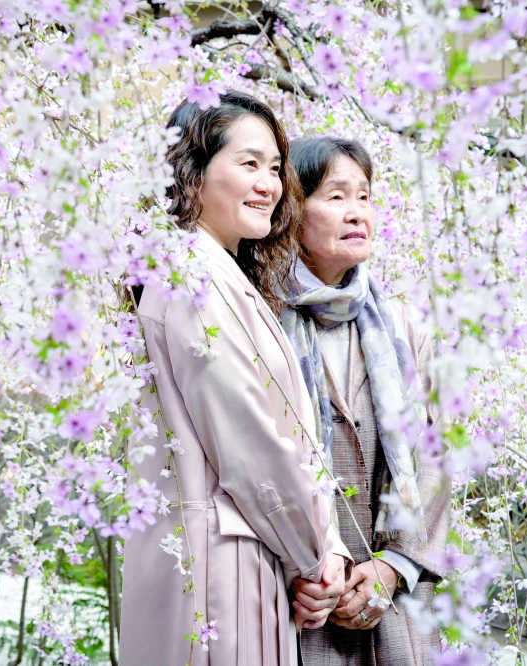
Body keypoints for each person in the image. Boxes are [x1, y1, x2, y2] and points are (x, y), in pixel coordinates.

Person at [119, 93, 350, 666]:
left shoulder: (210, 273)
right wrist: (317, 557)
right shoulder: (193, 278)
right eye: (248, 164)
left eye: (275, 168)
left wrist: (320, 553)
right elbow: (252, 443)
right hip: (221, 565)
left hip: (240, 550)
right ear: (191, 173)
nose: (269, 184)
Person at [282, 137, 450, 666]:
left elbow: (435, 452)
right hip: (304, 596)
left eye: (364, 196)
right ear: (292, 209)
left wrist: (395, 564)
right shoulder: (262, 320)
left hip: (394, 600)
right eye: (335, 197)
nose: (357, 213)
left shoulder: (403, 326)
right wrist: (306, 570)